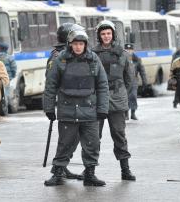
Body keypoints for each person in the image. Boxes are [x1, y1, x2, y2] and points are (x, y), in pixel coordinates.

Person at [43, 28, 109, 187]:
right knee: (65, 143)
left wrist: (102, 108)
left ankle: (90, 174)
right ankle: (58, 173)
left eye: (81, 44)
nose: (78, 47)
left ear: (85, 44)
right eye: (75, 44)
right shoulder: (61, 60)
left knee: (92, 144)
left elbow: (102, 85)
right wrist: (49, 108)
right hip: (67, 110)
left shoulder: (93, 60)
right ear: (69, 44)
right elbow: (51, 85)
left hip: (90, 110)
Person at [92, 20, 136, 181]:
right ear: (99, 35)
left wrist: (121, 93)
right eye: (103, 34)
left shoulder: (122, 53)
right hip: (97, 100)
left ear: (113, 34)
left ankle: (125, 170)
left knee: (119, 134)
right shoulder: (92, 53)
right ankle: (90, 171)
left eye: (109, 33)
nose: (106, 36)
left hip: (117, 100)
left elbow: (129, 78)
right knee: (93, 137)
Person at [46, 22, 85, 180]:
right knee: (67, 138)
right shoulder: (58, 55)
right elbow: (51, 80)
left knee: (73, 138)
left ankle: (63, 166)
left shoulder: (72, 52)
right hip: (66, 101)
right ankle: (58, 168)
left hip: (77, 101)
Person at [124, 43, 148, 120]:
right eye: (127, 50)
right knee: (125, 98)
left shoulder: (137, 59)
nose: (128, 51)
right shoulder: (122, 58)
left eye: (130, 50)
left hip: (134, 81)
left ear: (133, 50)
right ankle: (126, 113)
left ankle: (133, 113)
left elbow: (142, 71)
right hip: (124, 82)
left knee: (133, 97)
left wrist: (145, 82)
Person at [0, 42, 17, 110]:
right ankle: (5, 108)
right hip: (6, 78)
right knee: (6, 93)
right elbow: (14, 68)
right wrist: (12, 76)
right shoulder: (9, 58)